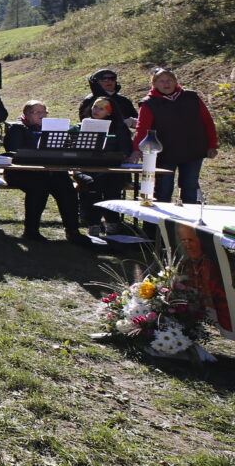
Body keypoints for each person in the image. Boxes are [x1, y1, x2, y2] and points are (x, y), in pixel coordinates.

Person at [3, 100, 89, 246]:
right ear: (27, 114)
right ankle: (31, 230)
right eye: (38, 112)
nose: (42, 115)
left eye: (44, 112)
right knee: (38, 188)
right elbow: (13, 151)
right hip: (22, 172)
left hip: (49, 171)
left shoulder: (52, 129)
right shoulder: (17, 128)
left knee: (67, 188)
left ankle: (72, 230)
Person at [129, 67, 218, 203]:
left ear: (175, 82)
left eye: (169, 80)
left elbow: (207, 121)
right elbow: (142, 129)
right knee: (163, 192)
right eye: (161, 81)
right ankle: (162, 224)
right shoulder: (149, 103)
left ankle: (188, 223)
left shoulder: (191, 97)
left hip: (193, 151)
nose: (166, 84)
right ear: (154, 84)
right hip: (164, 153)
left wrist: (212, 145)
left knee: (190, 190)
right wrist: (137, 150)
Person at [76, 97, 132, 236]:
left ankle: (112, 223)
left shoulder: (119, 128)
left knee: (110, 185)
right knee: (91, 184)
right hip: (86, 169)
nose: (96, 111)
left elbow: (125, 151)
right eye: (95, 107)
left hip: (112, 169)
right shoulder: (81, 126)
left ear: (109, 112)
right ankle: (94, 224)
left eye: (101, 108)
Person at [176, 223, 232, 332]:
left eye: (191, 240)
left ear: (200, 240)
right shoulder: (184, 264)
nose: (187, 246)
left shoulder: (212, 266)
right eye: (183, 240)